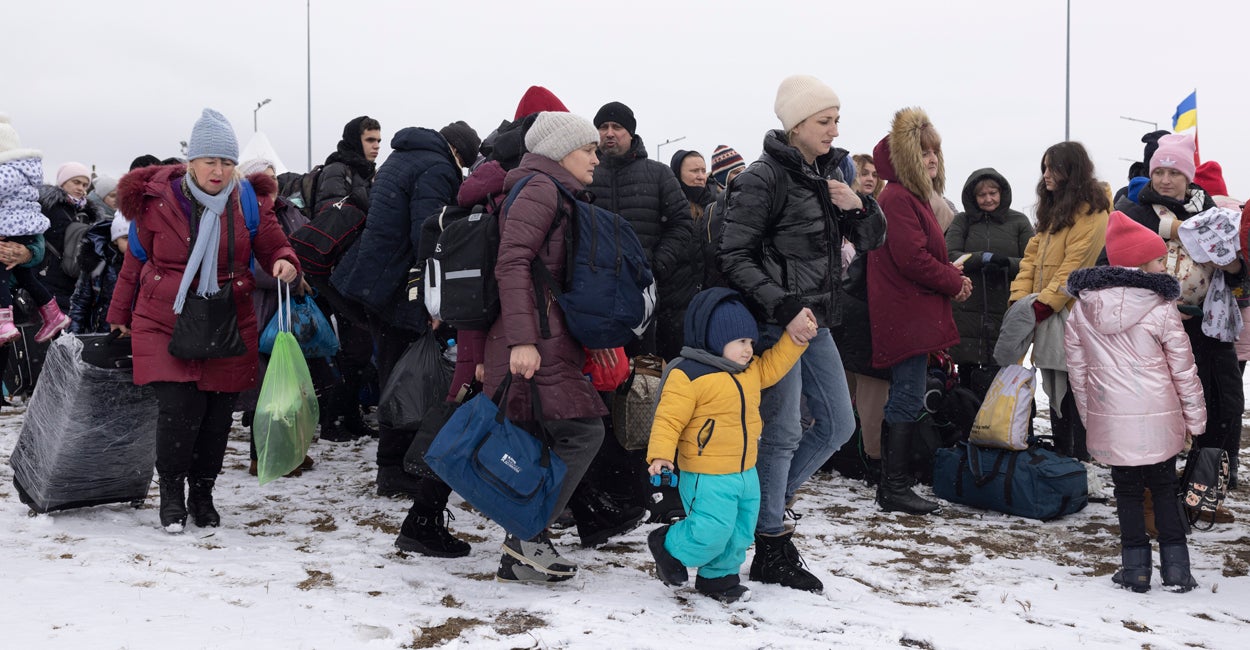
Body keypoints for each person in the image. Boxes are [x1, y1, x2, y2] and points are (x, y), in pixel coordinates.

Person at [719, 74, 885, 592]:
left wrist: (860, 206)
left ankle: (758, 508)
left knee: (837, 424)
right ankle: (770, 541)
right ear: (796, 125)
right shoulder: (762, 178)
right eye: (824, 121)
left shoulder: (830, 174)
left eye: (837, 120)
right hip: (776, 324)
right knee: (784, 431)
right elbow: (733, 255)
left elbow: (872, 240)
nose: (834, 130)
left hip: (818, 322)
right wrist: (784, 306)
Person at [107, 109, 300, 533]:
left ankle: (203, 494)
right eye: (210, 161)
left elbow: (274, 244)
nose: (219, 171)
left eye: (227, 162)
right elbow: (134, 261)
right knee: (180, 408)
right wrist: (118, 314)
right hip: (166, 315)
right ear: (191, 161)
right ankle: (172, 495)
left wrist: (285, 261)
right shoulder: (156, 200)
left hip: (226, 316)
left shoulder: (248, 200)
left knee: (216, 415)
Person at [484, 111, 615, 583]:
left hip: (549, 335)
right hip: (536, 338)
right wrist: (522, 339)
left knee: (542, 439)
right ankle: (526, 533)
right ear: (561, 151)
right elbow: (512, 262)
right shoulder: (541, 189)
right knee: (582, 432)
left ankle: (520, 552)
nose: (596, 159)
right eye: (589, 149)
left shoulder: (555, 191)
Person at [330, 122, 477, 500]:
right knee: (406, 379)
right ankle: (395, 469)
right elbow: (429, 233)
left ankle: (395, 465)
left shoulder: (403, 157)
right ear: (457, 152)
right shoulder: (437, 167)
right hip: (398, 287)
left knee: (393, 374)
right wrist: (434, 299)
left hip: (376, 279)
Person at [1065, 211, 1206, 593]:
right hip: (1160, 418)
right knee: (1164, 488)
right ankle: (1177, 569)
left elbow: (1078, 372)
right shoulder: (1161, 307)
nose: (1164, 265)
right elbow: (1183, 369)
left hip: (1111, 417)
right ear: (1141, 263)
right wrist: (1196, 419)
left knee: (1126, 491)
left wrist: (1092, 418)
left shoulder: (1082, 308)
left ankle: (1136, 569)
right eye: (1159, 259)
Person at [646, 288, 808, 603]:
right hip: (707, 472)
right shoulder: (688, 374)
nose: (748, 349)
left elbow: (775, 364)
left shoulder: (749, 371)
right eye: (740, 342)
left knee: (740, 532)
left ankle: (718, 579)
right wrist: (661, 455)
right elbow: (668, 419)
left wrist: (796, 340)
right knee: (711, 530)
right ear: (715, 339)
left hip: (745, 470)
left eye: (751, 342)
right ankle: (668, 544)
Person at [1118, 133, 1244, 495]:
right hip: (1149, 334)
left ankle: (1201, 488)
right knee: (1157, 411)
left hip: (1205, 330)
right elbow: (1111, 270)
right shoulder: (1135, 213)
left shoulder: (1212, 216)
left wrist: (1234, 267)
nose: (1165, 180)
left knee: (1218, 406)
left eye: (1174, 173)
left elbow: (1239, 279)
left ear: (1188, 177)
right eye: (1159, 172)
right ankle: (1152, 492)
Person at [867, 107, 969, 515]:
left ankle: (895, 484)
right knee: (906, 397)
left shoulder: (911, 196)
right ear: (907, 157)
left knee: (907, 396)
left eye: (934, 152)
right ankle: (894, 486)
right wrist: (953, 281)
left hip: (911, 312)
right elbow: (912, 259)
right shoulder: (897, 197)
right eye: (923, 152)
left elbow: (921, 256)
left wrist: (950, 275)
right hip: (905, 314)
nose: (932, 159)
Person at [1009, 141, 1111, 461]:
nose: (1046, 174)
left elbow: (1075, 266)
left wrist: (1043, 304)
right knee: (1054, 385)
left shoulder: (1093, 211)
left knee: (1075, 389)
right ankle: (1063, 457)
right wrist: (1019, 300)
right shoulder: (1053, 210)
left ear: (1072, 170)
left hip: (1074, 314)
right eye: (1044, 168)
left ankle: (1078, 459)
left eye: (1053, 168)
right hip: (1050, 313)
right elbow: (1031, 259)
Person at [587, 101, 695, 360]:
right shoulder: (585, 173)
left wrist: (656, 265)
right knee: (600, 372)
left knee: (643, 374)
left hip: (645, 295)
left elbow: (682, 224)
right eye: (603, 127)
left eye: (617, 127)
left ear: (631, 133)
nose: (609, 133)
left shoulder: (658, 174)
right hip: (594, 294)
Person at [232, 158, 317, 480]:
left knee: (289, 382)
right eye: (262, 177)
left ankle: (290, 448)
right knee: (265, 388)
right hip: (257, 309)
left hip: (284, 308)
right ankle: (263, 453)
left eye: (273, 177)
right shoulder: (243, 213)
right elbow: (252, 266)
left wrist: (301, 272)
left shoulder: (287, 210)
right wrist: (293, 276)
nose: (271, 183)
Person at [308, 115, 382, 443]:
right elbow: (332, 216)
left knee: (359, 350)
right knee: (351, 349)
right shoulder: (338, 170)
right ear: (355, 140)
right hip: (335, 271)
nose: (376, 146)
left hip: (354, 269)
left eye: (378, 140)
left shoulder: (365, 173)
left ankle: (349, 416)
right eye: (370, 140)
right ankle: (334, 420)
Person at [944, 168, 1034, 397]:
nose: (988, 199)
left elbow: (1032, 260)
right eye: (981, 195)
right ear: (973, 197)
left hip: (1004, 305)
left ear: (1001, 193)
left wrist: (1006, 263)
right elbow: (950, 254)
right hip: (967, 308)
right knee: (967, 377)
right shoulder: (962, 221)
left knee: (1002, 374)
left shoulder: (1019, 222)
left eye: (992, 193)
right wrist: (980, 258)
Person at [0, 115, 66, 344]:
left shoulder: (7, 174)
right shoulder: (22, 175)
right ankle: (52, 313)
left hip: (8, 289)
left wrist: (26, 254)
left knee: (12, 271)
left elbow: (38, 246)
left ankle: (6, 322)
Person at [37, 161, 103, 313]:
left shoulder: (88, 213)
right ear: (63, 182)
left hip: (76, 279)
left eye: (85, 185)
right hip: (48, 275)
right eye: (76, 182)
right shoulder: (47, 207)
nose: (81, 188)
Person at [66, 211, 127, 334]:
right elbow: (81, 302)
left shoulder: (150, 263)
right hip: (104, 332)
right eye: (126, 238)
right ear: (115, 240)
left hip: (139, 333)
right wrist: (74, 335)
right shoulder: (98, 263)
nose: (132, 243)